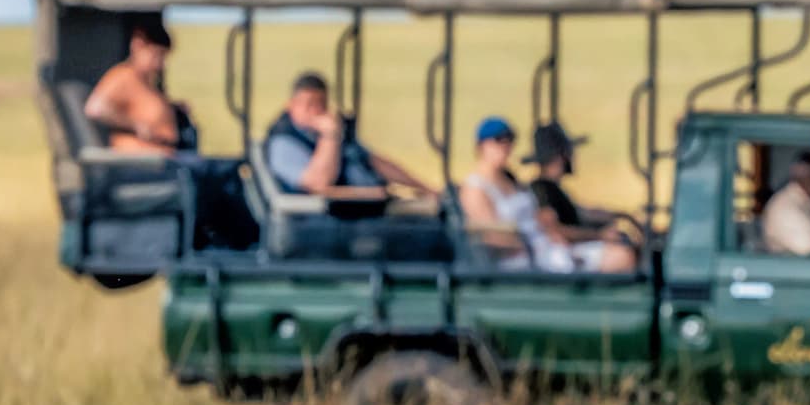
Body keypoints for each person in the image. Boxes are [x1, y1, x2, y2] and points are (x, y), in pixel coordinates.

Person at [261, 72, 437, 201]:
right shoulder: (283, 142)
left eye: (320, 104)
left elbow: (374, 162)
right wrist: (330, 136)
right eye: (307, 105)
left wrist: (425, 188)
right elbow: (318, 184)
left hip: (361, 211)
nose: (314, 111)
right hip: (315, 223)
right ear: (291, 105)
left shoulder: (336, 137)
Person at [457, 117, 576, 269]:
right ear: (482, 145)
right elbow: (491, 236)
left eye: (510, 139)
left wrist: (547, 226)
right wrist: (532, 243)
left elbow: (538, 218)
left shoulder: (512, 180)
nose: (506, 146)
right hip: (518, 259)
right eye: (498, 140)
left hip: (543, 248)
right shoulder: (475, 188)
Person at [527, 122, 640, 274]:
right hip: (565, 254)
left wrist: (620, 215)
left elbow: (581, 212)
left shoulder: (554, 188)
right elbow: (555, 232)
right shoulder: (541, 190)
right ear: (561, 156)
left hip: (575, 247)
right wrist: (600, 236)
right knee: (624, 256)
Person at [85, 16, 196, 153]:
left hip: (166, 157)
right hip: (141, 161)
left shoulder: (146, 81)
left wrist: (172, 108)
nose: (160, 63)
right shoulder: (123, 75)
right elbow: (96, 108)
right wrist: (136, 126)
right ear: (138, 45)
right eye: (157, 55)